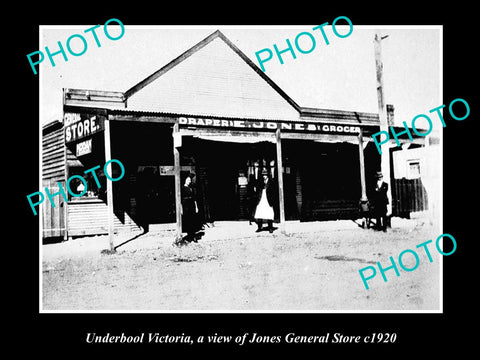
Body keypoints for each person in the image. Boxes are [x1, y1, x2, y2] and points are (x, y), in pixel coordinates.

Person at [253, 169, 277, 233]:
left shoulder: (271, 182)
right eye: (263, 175)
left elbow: (274, 191)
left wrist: (272, 199)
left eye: (265, 175)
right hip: (261, 198)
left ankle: (270, 227)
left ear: (268, 175)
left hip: (268, 199)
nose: (264, 176)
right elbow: (257, 189)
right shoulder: (260, 181)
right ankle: (259, 227)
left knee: (269, 213)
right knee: (260, 212)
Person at [181, 173, 202, 242]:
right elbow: (180, 200)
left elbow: (194, 199)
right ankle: (189, 236)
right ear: (185, 180)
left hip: (192, 206)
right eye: (188, 180)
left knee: (193, 221)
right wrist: (181, 208)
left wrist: (196, 207)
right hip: (186, 206)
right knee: (188, 221)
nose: (189, 181)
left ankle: (193, 236)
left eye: (190, 180)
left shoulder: (191, 188)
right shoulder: (182, 188)